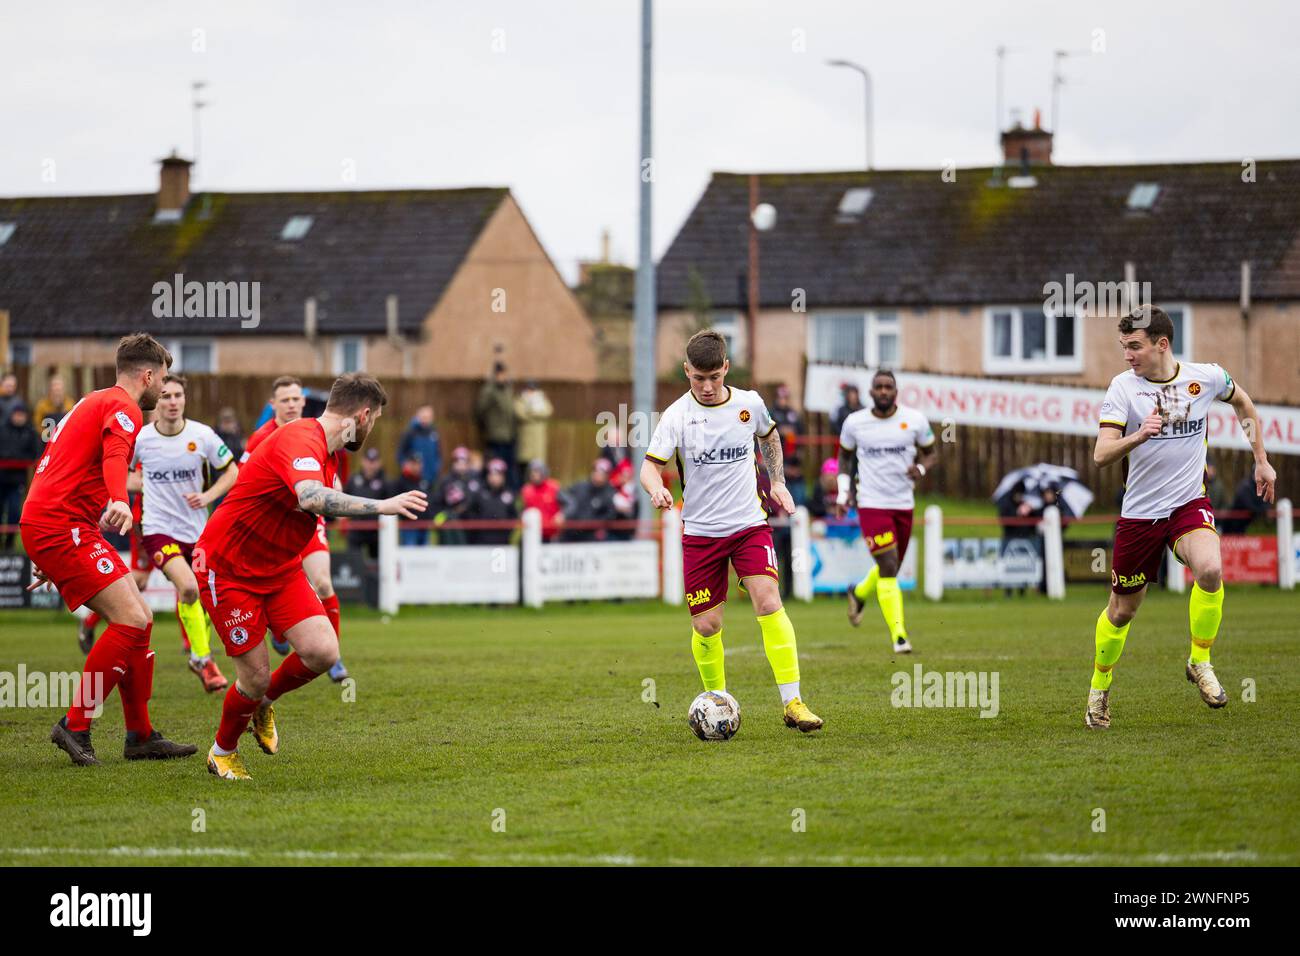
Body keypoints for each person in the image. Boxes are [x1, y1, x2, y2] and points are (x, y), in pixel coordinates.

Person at [197, 373, 426, 780]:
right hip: (230, 569)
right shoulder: (302, 439)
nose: (372, 429)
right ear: (364, 414)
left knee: (323, 651)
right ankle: (222, 752)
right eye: (374, 421)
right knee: (253, 676)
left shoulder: (330, 453)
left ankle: (264, 703)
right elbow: (310, 496)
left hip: (278, 568)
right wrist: (382, 505)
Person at [1084, 306, 1276, 730]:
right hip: (1139, 514)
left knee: (1210, 569)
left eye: (1134, 346)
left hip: (1188, 503)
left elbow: (1242, 402)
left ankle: (1200, 660)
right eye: (1124, 347)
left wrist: (1260, 461)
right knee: (1122, 612)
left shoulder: (1204, 378)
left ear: (1161, 343)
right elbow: (1100, 455)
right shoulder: (1123, 389)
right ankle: (1099, 688)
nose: (1127, 355)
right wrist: (1139, 434)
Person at [20, 333, 196, 766]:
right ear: (149, 376)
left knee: (142, 619)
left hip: (60, 525)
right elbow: (115, 458)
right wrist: (119, 499)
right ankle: (76, 724)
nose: (164, 389)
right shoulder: (123, 407)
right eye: (164, 380)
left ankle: (140, 734)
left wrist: (49, 550)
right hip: (61, 526)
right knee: (132, 619)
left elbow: (67, 464)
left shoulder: (93, 399)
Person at [641, 329, 823, 733]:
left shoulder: (749, 404)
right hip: (701, 533)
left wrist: (777, 481)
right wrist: (657, 490)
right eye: (697, 378)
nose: (706, 387)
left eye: (714, 378)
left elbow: (769, 436)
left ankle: (793, 703)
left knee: (768, 600)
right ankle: (717, 701)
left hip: (748, 525)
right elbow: (649, 466)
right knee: (707, 626)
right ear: (686, 370)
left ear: (726, 368)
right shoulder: (676, 416)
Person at [127, 374, 237, 692]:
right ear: (156, 402)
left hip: (198, 531)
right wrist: (129, 493)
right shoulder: (142, 439)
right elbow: (118, 473)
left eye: (177, 395)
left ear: (185, 399)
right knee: (188, 587)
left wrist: (208, 496)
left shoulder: (202, 436)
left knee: (203, 596)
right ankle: (203, 659)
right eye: (165, 396)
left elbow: (232, 470)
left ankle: (199, 655)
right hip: (158, 529)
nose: (172, 402)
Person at [242, 376, 349, 682]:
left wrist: (336, 497)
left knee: (324, 584)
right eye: (284, 400)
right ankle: (278, 629)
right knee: (271, 587)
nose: (290, 404)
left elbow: (331, 479)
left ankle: (335, 656)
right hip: (272, 528)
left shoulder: (317, 434)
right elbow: (245, 484)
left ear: (303, 402)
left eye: (295, 399)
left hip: (308, 522)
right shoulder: (260, 437)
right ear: (272, 405)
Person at [836, 369, 938, 654]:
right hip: (870, 503)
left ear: (896, 391)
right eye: (878, 387)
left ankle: (858, 593)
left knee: (888, 567)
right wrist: (844, 493)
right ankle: (900, 636)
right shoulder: (855, 423)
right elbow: (844, 458)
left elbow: (931, 453)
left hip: (903, 503)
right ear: (871, 392)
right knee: (890, 567)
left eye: (888, 387)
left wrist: (920, 468)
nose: (883, 391)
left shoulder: (915, 420)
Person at [0, 402, 40, 549]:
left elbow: (36, 453)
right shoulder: (3, 430)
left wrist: (16, 458)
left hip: (17, 481)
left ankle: (9, 543)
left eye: (21, 415)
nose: (18, 418)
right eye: (16, 415)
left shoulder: (29, 432)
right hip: (1, 478)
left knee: (14, 512)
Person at [562, 459, 623, 542]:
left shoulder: (610, 494)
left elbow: (610, 515)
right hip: (571, 533)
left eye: (602, 473)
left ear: (607, 475)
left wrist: (595, 525)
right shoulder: (579, 487)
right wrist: (564, 515)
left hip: (592, 536)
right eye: (596, 471)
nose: (598, 475)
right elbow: (565, 500)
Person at [475, 362, 517, 483]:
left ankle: (508, 490)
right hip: (496, 436)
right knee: (495, 465)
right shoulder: (489, 390)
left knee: (509, 466)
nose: (503, 377)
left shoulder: (507, 389)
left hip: (509, 435)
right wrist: (488, 427)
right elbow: (480, 410)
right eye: (501, 374)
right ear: (496, 375)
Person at [345, 448, 390, 558]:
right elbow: (344, 499)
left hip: (376, 530)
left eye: (374, 461)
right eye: (369, 461)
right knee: (353, 560)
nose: (371, 465)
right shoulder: (353, 480)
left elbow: (389, 504)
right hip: (356, 529)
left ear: (379, 463)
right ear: (363, 461)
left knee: (376, 564)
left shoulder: (385, 482)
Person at [431, 446, 481, 545]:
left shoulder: (475, 480)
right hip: (452, 525)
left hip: (472, 525)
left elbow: (480, 502)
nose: (461, 465)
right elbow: (437, 503)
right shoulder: (446, 481)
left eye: (464, 462)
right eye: (458, 462)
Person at [466, 458, 518, 545]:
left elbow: (513, 516)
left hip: (502, 542)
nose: (494, 478)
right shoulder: (479, 493)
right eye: (491, 474)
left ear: (503, 477)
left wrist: (507, 531)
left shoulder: (509, 495)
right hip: (481, 541)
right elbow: (471, 513)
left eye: (498, 475)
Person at [770, 384, 805, 506]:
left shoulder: (793, 414)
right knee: (781, 498)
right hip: (778, 460)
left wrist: (800, 453)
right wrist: (781, 430)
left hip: (793, 460)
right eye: (781, 397)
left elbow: (801, 433)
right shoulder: (771, 413)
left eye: (785, 397)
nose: (783, 400)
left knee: (799, 498)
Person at [514, 382, 553, 488]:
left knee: (538, 467)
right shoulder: (520, 400)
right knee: (524, 469)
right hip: (525, 442)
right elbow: (521, 414)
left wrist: (530, 413)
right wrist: (537, 415)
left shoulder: (542, 400)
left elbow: (547, 412)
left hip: (538, 442)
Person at [393, 452, 434, 545]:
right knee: (409, 553)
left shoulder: (425, 481)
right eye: (413, 463)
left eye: (418, 463)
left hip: (424, 525)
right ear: (407, 464)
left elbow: (431, 500)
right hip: (408, 526)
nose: (416, 466)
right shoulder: (400, 482)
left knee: (425, 555)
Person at [398, 405, 441, 486]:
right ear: (418, 416)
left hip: (430, 479)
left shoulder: (434, 434)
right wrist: (406, 467)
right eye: (424, 416)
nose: (426, 419)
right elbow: (400, 454)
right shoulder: (410, 433)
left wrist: (435, 469)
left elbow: (438, 454)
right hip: (412, 480)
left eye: (429, 417)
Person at [521, 459, 564, 541]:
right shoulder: (526, 490)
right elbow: (522, 511)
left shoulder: (554, 487)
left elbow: (570, 504)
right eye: (532, 472)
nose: (534, 474)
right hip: (532, 534)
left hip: (552, 535)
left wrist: (562, 514)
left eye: (537, 471)